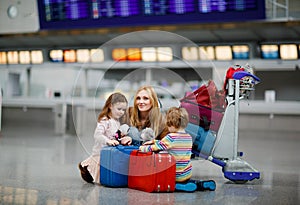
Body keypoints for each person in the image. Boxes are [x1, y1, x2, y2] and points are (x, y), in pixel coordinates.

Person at [139, 107, 216, 192]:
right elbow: (166, 144)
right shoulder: (188, 137)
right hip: (187, 173)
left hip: (175, 175)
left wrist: (143, 148)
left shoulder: (171, 137)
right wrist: (154, 141)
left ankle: (178, 186)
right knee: (187, 181)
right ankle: (200, 184)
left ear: (172, 124)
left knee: (165, 183)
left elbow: (156, 147)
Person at [78, 92, 132, 184]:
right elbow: (97, 135)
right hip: (100, 154)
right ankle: (87, 168)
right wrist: (108, 141)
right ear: (110, 106)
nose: (121, 112)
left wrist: (123, 139)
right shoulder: (105, 120)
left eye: (123, 110)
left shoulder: (117, 122)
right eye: (119, 109)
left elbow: (115, 136)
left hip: (109, 154)